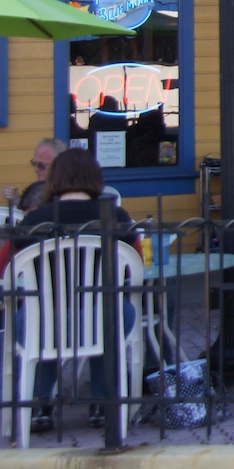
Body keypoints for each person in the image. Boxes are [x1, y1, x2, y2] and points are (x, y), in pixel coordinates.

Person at [0, 150, 139, 432]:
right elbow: (134, 266)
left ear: (54, 178)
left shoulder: (34, 220)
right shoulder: (116, 215)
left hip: (43, 324)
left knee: (41, 318)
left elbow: (5, 267)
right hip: (104, 319)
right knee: (108, 310)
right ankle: (102, 401)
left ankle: (38, 403)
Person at [4, 137, 67, 203]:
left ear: (58, 165)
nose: (35, 169)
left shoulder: (67, 192)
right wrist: (16, 199)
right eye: (34, 163)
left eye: (41, 165)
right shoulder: (38, 189)